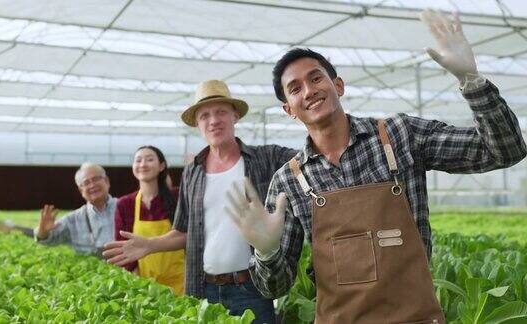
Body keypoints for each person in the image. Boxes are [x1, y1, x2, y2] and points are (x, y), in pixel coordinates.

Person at [224, 10, 527, 323]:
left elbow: (506, 151)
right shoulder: (289, 181)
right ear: (289, 109)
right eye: (295, 88)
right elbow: (275, 288)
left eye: (316, 78)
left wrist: (471, 80)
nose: (309, 91)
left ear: (338, 85)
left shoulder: (400, 136)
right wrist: (266, 251)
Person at [103, 80, 296, 323]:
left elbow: (313, 155)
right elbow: (184, 231)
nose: (213, 120)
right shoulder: (192, 172)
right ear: (197, 124)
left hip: (253, 289)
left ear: (235, 116)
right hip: (204, 291)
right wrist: (150, 245)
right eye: (204, 115)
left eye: (221, 112)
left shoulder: (267, 158)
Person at [113, 146, 185, 295]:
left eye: (149, 159)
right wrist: (135, 281)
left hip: (181, 283)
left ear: (162, 166)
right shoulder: (125, 204)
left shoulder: (178, 197)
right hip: (144, 286)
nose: (143, 164)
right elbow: (123, 248)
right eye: (138, 160)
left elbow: (190, 237)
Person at [35, 162, 117, 259]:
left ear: (107, 181)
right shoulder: (73, 220)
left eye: (96, 179)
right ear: (81, 190)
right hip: (94, 273)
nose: (92, 185)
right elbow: (48, 239)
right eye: (86, 183)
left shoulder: (129, 207)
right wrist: (43, 232)